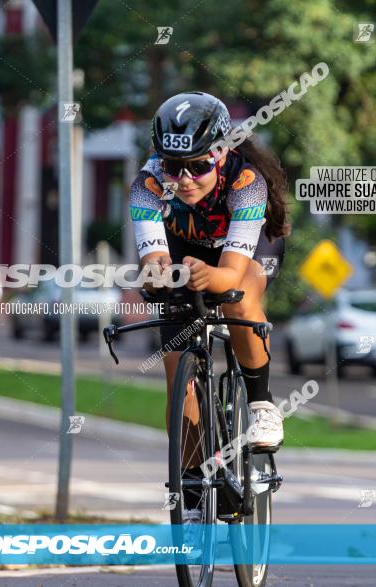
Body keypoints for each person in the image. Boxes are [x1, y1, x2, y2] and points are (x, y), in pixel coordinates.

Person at [129, 91, 290, 517]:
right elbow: (153, 257)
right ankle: (196, 483)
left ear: (221, 153)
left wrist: (209, 276)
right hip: (186, 248)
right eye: (172, 166)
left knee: (237, 299)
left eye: (199, 167)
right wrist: (161, 274)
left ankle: (261, 404)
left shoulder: (246, 183)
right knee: (178, 379)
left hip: (246, 253)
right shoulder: (147, 186)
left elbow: (230, 275)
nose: (184, 180)